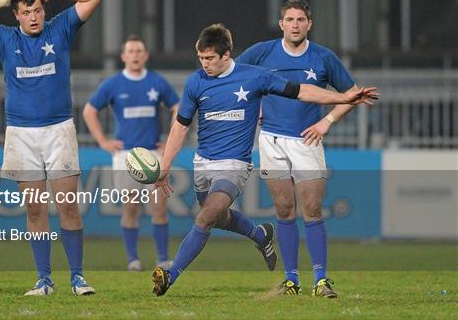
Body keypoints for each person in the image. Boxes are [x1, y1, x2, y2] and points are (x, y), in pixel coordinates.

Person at [151, 23, 378, 296]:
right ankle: (260, 235)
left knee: (206, 216)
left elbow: (301, 91)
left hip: (235, 164)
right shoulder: (196, 81)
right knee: (218, 217)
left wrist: (342, 97)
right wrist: (165, 165)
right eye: (201, 58)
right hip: (203, 162)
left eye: (209, 58)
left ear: (226, 55)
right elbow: (180, 126)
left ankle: (170, 274)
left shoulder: (255, 77)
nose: (204, 64)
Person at [0, 0, 103, 296]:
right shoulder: (5, 37)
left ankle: (77, 278)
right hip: (21, 134)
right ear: (16, 15)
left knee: (67, 206)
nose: (33, 17)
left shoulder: (60, 27)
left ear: (43, 10)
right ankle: (44, 280)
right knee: (35, 210)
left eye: (37, 10)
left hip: (59, 129)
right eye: (25, 12)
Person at [236, 0, 362, 298]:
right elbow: (235, 80)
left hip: (307, 140)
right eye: (290, 20)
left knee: (313, 209)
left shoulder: (322, 57)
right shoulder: (262, 52)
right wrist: (255, 107)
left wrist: (326, 121)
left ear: (309, 24)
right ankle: (291, 280)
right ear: (281, 24)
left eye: (300, 20)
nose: (295, 25)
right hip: (271, 140)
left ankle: (321, 280)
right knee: (283, 209)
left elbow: (353, 93)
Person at [82, 36, 179, 271]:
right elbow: (89, 111)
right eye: (130, 51)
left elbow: (178, 109)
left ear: (145, 55)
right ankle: (133, 260)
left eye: (139, 51)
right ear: (123, 56)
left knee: (159, 207)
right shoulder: (113, 84)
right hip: (126, 156)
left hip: (154, 154)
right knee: (130, 207)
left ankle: (163, 259)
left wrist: (170, 140)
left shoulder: (157, 82)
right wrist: (103, 141)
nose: (135, 55)